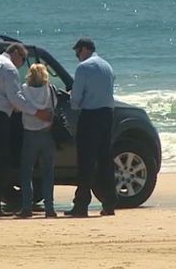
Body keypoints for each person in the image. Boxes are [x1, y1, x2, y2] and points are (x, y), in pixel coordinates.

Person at [0, 43, 51, 219]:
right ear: (14, 52)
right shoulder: (9, 68)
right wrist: (37, 112)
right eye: (22, 58)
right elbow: (15, 98)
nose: (22, 63)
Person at [64, 37, 118, 217]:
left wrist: (72, 100)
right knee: (105, 160)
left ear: (85, 49)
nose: (77, 56)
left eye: (77, 52)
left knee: (86, 161)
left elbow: (76, 98)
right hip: (107, 115)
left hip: (90, 115)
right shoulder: (107, 66)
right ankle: (109, 203)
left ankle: (81, 205)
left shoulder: (84, 67)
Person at [17, 63, 58, 218]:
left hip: (29, 133)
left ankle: (27, 207)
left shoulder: (24, 89)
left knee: (26, 172)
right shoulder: (50, 89)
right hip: (47, 133)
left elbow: (19, 105)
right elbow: (55, 108)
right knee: (48, 172)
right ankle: (49, 208)